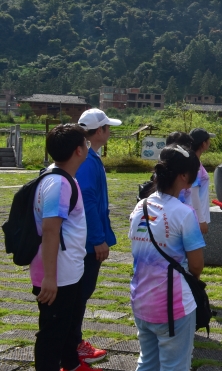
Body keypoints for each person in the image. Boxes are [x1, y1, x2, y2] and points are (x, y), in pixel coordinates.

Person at [129, 144, 204, 371]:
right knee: (175, 366)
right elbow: (196, 265)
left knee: (147, 363)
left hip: (141, 300)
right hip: (173, 306)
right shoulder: (184, 213)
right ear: (184, 177)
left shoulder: (140, 206)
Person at [32, 124, 93, 371]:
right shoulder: (59, 184)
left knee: (68, 326)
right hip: (57, 273)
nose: (88, 147)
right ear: (78, 150)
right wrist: (49, 277)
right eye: (86, 143)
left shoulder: (60, 176)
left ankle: (71, 365)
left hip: (69, 270)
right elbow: (50, 229)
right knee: (52, 334)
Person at [73, 109, 122, 365]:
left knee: (81, 293)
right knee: (80, 293)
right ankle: (73, 344)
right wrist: (98, 239)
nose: (109, 131)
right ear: (100, 131)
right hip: (87, 243)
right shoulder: (88, 161)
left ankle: (73, 342)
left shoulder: (89, 156)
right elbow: (88, 201)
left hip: (85, 240)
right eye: (107, 127)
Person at [187, 128, 213, 234]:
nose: (209, 143)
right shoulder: (195, 165)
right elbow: (194, 193)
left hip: (194, 214)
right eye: (208, 140)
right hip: (195, 217)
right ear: (203, 144)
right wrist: (201, 219)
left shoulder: (193, 161)